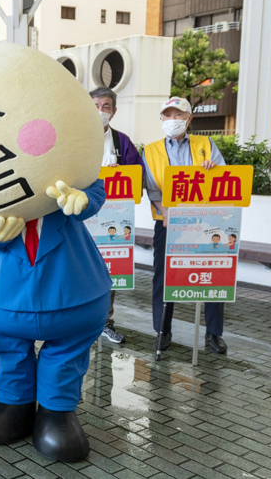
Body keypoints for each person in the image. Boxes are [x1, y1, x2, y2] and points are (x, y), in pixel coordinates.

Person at [143, 96, 228, 355]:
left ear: (189, 119)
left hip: (204, 221)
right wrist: (166, 213)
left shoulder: (206, 144)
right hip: (167, 221)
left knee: (212, 273)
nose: (173, 120)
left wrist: (211, 169)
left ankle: (214, 334)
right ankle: (163, 330)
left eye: (178, 115)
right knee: (164, 276)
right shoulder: (150, 150)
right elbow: (153, 189)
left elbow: (223, 179)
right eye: (167, 115)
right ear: (161, 119)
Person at [90, 87, 144, 345]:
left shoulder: (121, 141)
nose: (100, 111)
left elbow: (138, 176)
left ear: (114, 111)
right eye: (95, 105)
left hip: (113, 218)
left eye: (106, 106)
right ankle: (78, 323)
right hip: (82, 220)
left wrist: (120, 171)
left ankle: (105, 323)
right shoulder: (75, 139)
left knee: (110, 270)